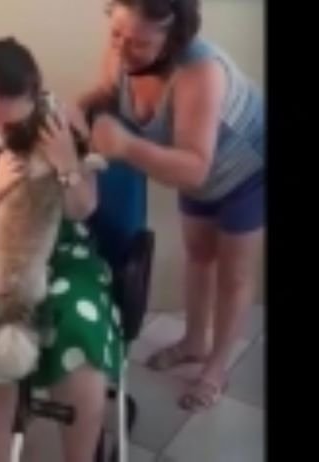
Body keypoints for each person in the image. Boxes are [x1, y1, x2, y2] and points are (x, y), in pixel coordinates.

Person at [0, 37, 121, 462]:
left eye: (12, 125)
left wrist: (67, 164)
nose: (0, 134)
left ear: (35, 99)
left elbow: (82, 209)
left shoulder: (62, 119)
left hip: (58, 245)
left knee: (81, 331)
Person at [79, 0, 265, 412]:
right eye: (116, 33)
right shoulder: (124, 47)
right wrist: (75, 109)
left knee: (234, 275)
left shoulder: (201, 71)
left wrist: (126, 146)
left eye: (139, 43)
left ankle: (216, 369)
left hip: (248, 168)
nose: (122, 49)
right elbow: (107, 93)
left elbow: (194, 169)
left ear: (173, 39)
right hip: (191, 166)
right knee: (198, 255)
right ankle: (194, 342)